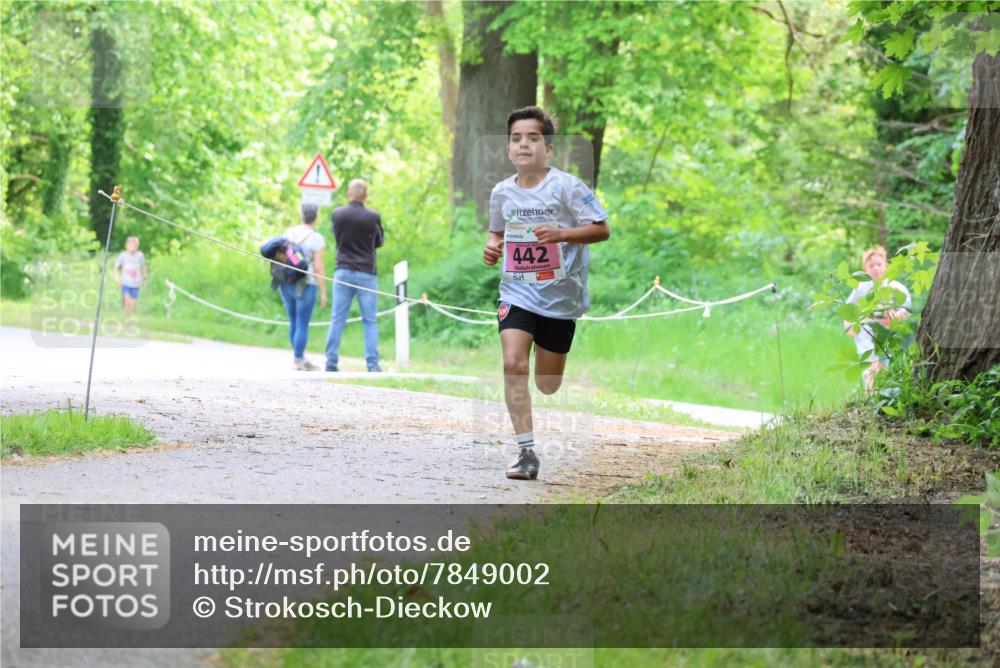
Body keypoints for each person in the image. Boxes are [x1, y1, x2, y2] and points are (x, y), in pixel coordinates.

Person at [482, 106, 611, 481]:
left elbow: (601, 229)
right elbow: (496, 234)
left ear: (548, 149)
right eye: (516, 139)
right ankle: (526, 452)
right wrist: (492, 248)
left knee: (547, 384)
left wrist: (561, 234)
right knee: (513, 364)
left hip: (560, 300)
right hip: (517, 293)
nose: (524, 145)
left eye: (533, 138)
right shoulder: (501, 193)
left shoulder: (567, 187)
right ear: (508, 149)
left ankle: (547, 371)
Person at [325, 179, 384, 372]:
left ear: (349, 194)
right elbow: (379, 242)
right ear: (365, 195)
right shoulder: (373, 217)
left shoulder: (338, 214)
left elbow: (337, 237)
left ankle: (331, 362)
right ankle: (372, 364)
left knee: (337, 318)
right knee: (370, 320)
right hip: (366, 272)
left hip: (343, 270)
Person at [842, 245, 911, 392]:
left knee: (884, 368)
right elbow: (848, 308)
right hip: (867, 335)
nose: (875, 268)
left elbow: (905, 308)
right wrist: (848, 325)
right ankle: (871, 397)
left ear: (886, 266)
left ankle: (884, 397)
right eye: (871, 265)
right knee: (870, 368)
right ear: (865, 269)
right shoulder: (861, 288)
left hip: (887, 336)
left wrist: (897, 315)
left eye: (879, 264)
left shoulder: (895, 287)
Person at [280, 203, 327, 371]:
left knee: (293, 321)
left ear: (301, 215)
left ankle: (299, 356)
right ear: (316, 217)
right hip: (307, 284)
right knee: (302, 323)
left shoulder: (288, 233)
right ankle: (298, 359)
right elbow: (319, 267)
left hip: (286, 282)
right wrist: (323, 292)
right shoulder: (316, 238)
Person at [112, 236, 148, 328]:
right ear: (127, 245)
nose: (133, 247)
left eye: (135, 245)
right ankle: (128, 322)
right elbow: (115, 269)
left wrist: (144, 279)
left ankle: (129, 318)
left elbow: (143, 268)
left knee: (133, 305)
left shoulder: (140, 255)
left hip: (136, 284)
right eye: (131, 245)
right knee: (127, 303)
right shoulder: (123, 256)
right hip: (126, 284)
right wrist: (117, 278)